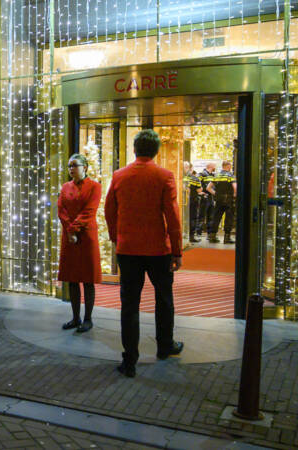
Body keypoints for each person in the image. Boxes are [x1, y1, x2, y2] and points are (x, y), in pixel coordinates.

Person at [105, 129, 184, 379]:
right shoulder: (164, 176)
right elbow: (172, 216)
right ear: (156, 150)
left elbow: (109, 210)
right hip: (157, 249)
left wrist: (116, 237)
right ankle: (164, 345)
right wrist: (177, 250)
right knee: (163, 298)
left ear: (135, 149)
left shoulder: (119, 176)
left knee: (129, 304)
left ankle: (129, 359)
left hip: (128, 249)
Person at [57, 154, 101, 333]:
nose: (71, 169)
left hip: (86, 236)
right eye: (69, 166)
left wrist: (74, 229)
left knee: (88, 279)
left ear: (85, 167)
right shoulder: (65, 187)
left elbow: (90, 211)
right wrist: (69, 229)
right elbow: (61, 209)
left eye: (75, 165)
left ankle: (88, 319)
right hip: (69, 237)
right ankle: (75, 318)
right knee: (72, 278)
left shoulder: (94, 187)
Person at [207, 160, 237, 244]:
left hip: (219, 200)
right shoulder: (231, 175)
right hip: (228, 200)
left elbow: (208, 188)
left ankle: (212, 236)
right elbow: (235, 187)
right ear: (228, 166)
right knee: (229, 218)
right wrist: (234, 196)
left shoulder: (217, 175)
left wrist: (216, 194)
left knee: (216, 217)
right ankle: (226, 238)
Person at [183, 161, 202, 243]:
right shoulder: (195, 179)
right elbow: (199, 190)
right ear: (191, 168)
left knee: (183, 217)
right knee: (193, 218)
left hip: (182, 201)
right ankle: (191, 236)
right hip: (193, 200)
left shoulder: (180, 177)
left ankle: (184, 233)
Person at [197, 162, 216, 236]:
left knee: (211, 216)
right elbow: (197, 182)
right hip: (204, 197)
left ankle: (209, 232)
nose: (215, 167)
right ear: (211, 166)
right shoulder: (202, 174)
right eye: (214, 165)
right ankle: (198, 232)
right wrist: (200, 192)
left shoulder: (213, 175)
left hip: (211, 198)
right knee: (202, 215)